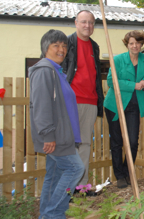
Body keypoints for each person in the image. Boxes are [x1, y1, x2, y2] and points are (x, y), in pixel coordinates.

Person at [29, 29, 85, 218]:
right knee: (75, 168)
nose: (61, 49)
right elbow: (41, 105)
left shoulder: (56, 71)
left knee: (54, 176)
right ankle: (53, 213)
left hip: (62, 135)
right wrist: (48, 135)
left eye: (64, 46)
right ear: (46, 48)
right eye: (56, 45)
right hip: (56, 137)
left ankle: (47, 214)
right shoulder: (44, 70)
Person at [104, 31, 144, 188]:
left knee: (132, 141)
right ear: (127, 44)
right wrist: (133, 85)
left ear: (141, 44)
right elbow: (111, 80)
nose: (135, 46)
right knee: (117, 142)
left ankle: (128, 171)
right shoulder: (118, 59)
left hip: (135, 106)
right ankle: (120, 176)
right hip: (115, 105)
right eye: (131, 43)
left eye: (137, 43)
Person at [62, 10, 104, 189]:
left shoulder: (95, 46)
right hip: (72, 101)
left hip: (91, 101)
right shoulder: (66, 43)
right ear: (76, 23)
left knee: (85, 144)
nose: (88, 26)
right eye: (84, 22)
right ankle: (67, 187)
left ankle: (81, 186)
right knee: (69, 144)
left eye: (91, 22)